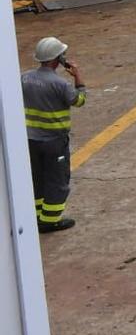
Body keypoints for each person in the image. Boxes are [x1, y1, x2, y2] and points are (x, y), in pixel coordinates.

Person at [22, 36, 86, 232]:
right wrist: (77, 77)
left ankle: (36, 215)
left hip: (31, 139)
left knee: (37, 178)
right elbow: (80, 101)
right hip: (54, 141)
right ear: (57, 59)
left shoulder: (24, 78)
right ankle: (50, 220)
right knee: (57, 181)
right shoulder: (60, 84)